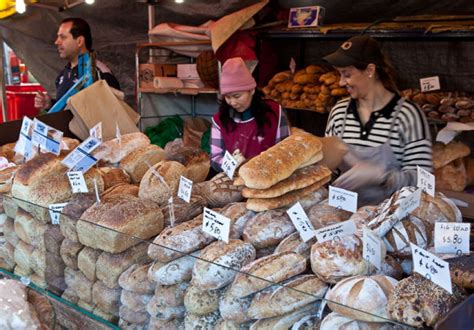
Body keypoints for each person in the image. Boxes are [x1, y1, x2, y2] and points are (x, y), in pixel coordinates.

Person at [323, 34, 433, 205]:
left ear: (370, 70)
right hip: (343, 218)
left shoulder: (407, 115)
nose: (341, 83)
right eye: (340, 75)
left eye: (347, 74)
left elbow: (424, 183)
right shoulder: (339, 113)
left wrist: (381, 176)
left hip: (390, 221)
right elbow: (328, 172)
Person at [210, 57, 290, 171]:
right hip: (233, 182)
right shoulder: (219, 120)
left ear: (251, 90)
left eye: (237, 96)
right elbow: (215, 158)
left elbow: (285, 151)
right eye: (227, 97)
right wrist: (232, 164)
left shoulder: (275, 112)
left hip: (269, 177)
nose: (232, 102)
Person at [35, 17, 120, 111]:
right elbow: (69, 112)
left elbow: (113, 114)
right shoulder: (62, 75)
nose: (56, 42)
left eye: (62, 37)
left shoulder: (99, 73)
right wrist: (51, 104)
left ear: (79, 41)